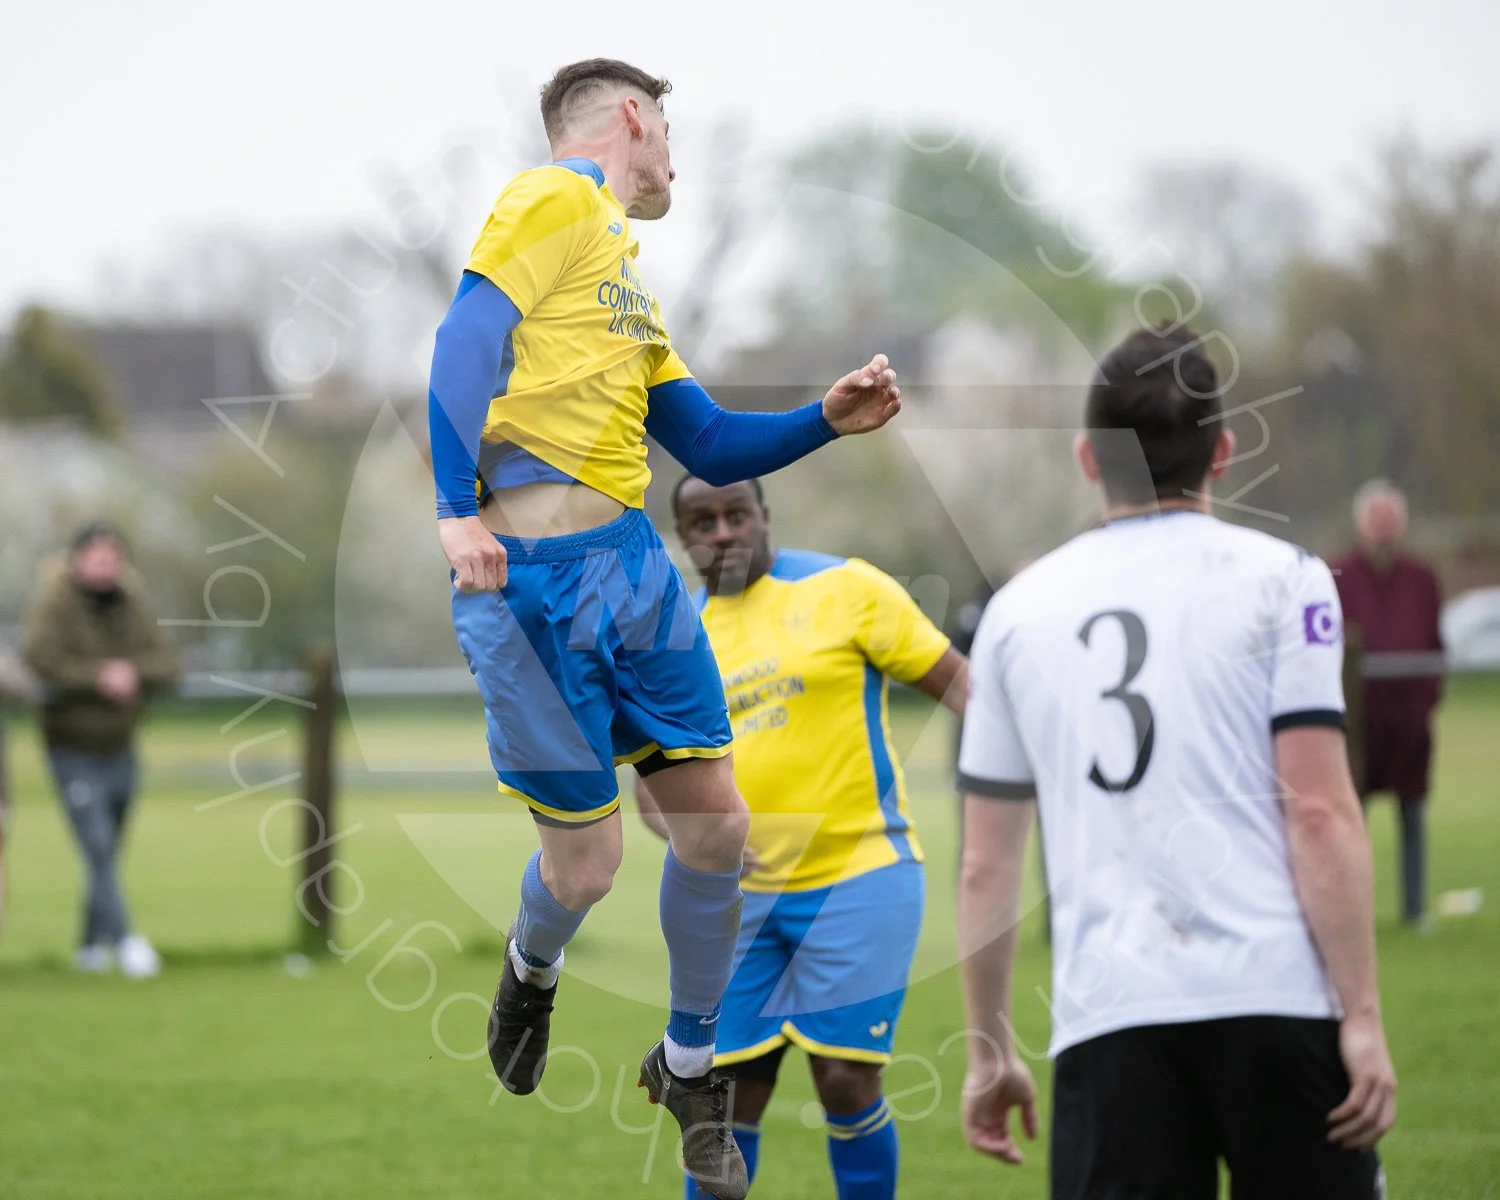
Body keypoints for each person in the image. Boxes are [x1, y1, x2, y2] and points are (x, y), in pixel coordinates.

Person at [426, 59, 902, 1199]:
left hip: (635, 577)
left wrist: (823, 424)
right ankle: (530, 969)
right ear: (632, 118)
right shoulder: (552, 199)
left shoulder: (627, 281)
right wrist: (453, 512)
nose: (674, 159)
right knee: (586, 869)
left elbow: (709, 442)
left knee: (716, 835)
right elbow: (461, 341)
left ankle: (691, 1067)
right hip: (535, 586)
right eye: (669, 131)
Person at [955, 325, 1396, 1199]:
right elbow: (1318, 812)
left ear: (1089, 458)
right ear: (1223, 452)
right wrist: (1364, 1019)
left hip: (1112, 1019)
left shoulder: (1017, 611)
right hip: (1278, 1003)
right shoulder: (1291, 578)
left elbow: (985, 865)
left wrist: (989, 1050)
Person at [635, 476, 966, 1200]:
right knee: (720, 1099)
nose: (721, 532)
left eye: (735, 515)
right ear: (681, 536)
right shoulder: (674, 642)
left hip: (861, 872)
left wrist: (1028, 769)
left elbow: (962, 687)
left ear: (764, 516)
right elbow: (652, 792)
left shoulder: (849, 589)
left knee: (845, 1081)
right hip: (739, 901)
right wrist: (693, 830)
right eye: (701, 521)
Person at [22, 522, 178, 977]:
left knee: (107, 849)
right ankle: (127, 941)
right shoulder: (52, 605)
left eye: (114, 557)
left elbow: (166, 661)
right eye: (97, 556)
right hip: (72, 745)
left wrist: (131, 672)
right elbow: (41, 660)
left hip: (121, 744)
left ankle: (90, 947)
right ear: (77, 559)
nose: (106, 565)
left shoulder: (132, 605)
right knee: (97, 844)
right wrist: (99, 677)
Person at [1331, 481, 1444, 927]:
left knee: (1412, 815)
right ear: (1361, 524)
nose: (1383, 529)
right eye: (1375, 519)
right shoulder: (1337, 575)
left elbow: (1435, 643)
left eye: (1390, 519)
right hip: (1357, 725)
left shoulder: (1422, 578)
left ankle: (1415, 909)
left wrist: (1426, 702)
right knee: (1348, 820)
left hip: (1409, 722)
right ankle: (1348, 910)